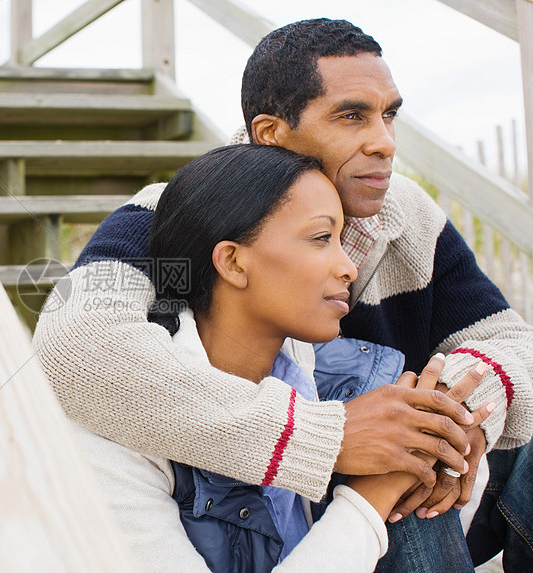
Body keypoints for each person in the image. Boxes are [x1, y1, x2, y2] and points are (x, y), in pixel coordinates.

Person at [32, 18, 533, 570]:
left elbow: (507, 339)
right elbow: (79, 350)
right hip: (277, 497)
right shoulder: (186, 222)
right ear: (270, 134)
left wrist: (448, 418)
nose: (385, 142)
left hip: (410, 483)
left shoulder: (405, 215)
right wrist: (327, 440)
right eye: (352, 116)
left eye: (389, 114)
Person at [72, 143, 495, 573]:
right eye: (320, 238)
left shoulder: (349, 375)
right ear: (233, 262)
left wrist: (447, 435)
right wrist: (370, 499)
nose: (348, 267)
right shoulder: (110, 437)